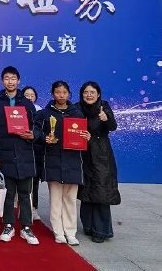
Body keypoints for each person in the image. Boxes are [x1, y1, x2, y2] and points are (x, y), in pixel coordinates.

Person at [0, 66, 39, 245]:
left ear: (18, 80)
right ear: (2, 81)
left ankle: (26, 227)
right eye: (7, 78)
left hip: (25, 153)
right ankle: (8, 225)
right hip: (4, 154)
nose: (10, 81)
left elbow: (37, 126)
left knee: (25, 193)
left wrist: (33, 135)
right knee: (8, 193)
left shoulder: (27, 103)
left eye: (13, 78)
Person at [33, 81, 90, 246]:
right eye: (58, 92)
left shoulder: (77, 113)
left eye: (64, 92)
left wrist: (86, 137)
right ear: (53, 94)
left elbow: (82, 133)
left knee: (70, 199)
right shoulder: (44, 114)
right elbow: (36, 132)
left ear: (69, 94)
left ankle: (70, 232)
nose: (61, 95)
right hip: (53, 160)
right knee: (56, 199)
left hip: (73, 161)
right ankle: (58, 232)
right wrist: (44, 138)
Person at [77, 81, 120, 243]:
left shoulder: (104, 107)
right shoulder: (77, 108)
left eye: (92, 92)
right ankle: (88, 227)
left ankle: (101, 231)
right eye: (86, 92)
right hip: (83, 156)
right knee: (86, 191)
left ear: (98, 94)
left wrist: (106, 118)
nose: (89, 95)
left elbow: (113, 126)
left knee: (101, 192)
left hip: (101, 155)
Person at [22, 85, 43, 222]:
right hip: (21, 149)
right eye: (27, 95)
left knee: (34, 180)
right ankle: (20, 207)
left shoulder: (41, 111)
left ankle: (34, 207)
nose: (29, 97)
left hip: (35, 150)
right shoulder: (16, 111)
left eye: (32, 95)